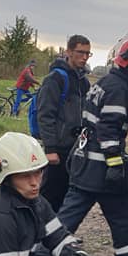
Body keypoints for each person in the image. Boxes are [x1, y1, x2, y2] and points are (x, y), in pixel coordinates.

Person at [59, 37, 128, 256]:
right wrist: (115, 165)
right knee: (120, 208)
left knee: (73, 213)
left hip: (86, 162)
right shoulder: (118, 90)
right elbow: (108, 129)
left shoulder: (107, 82)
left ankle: (44, 252)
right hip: (101, 166)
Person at [36, 35, 92, 211]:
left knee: (67, 193)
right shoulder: (55, 79)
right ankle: (39, 234)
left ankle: (58, 234)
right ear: (68, 52)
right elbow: (45, 114)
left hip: (75, 148)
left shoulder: (84, 82)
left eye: (88, 54)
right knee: (49, 194)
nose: (84, 57)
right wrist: (50, 149)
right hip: (58, 149)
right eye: (80, 52)